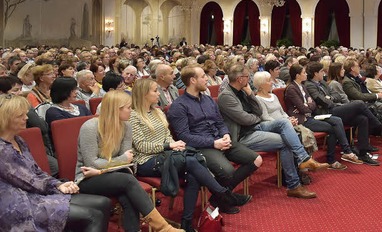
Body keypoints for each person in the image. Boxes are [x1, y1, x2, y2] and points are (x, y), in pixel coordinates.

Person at [130, 79, 247, 229]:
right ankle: (223, 193)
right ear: (143, 94)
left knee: (193, 174)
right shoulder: (134, 116)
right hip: (146, 161)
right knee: (192, 161)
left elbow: (167, 135)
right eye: (154, 91)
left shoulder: (157, 111)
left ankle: (187, 222)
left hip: (168, 156)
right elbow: (141, 146)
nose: (158, 93)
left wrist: (174, 145)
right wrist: (169, 145)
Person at [0, 94, 111, 232]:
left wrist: (58, 183)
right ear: (5, 119)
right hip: (18, 203)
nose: (26, 118)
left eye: (25, 114)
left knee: (104, 203)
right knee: (92, 216)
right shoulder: (2, 149)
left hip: (36, 193)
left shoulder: (19, 140)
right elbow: (28, 181)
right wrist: (58, 185)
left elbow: (36, 171)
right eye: (20, 116)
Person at [75, 90, 183, 232]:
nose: (131, 111)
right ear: (116, 109)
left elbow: (127, 161)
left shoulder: (126, 126)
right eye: (128, 108)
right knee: (128, 181)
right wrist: (119, 161)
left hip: (113, 175)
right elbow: (92, 163)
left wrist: (106, 166)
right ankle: (163, 228)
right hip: (87, 178)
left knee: (127, 195)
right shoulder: (90, 127)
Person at [217, 64, 327, 198]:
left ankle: (303, 161)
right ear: (240, 79)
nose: (249, 79)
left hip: (254, 127)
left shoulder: (243, 91)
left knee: (283, 122)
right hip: (242, 136)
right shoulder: (226, 96)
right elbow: (245, 119)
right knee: (286, 142)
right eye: (247, 77)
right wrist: (256, 117)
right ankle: (295, 185)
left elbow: (258, 110)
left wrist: (251, 94)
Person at [166, 66, 262, 206]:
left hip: (220, 140)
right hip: (201, 146)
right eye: (203, 76)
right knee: (228, 171)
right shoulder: (179, 106)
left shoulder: (208, 100)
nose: (206, 79)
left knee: (256, 160)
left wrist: (226, 134)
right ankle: (226, 198)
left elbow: (220, 122)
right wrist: (213, 143)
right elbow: (184, 137)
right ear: (193, 80)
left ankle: (219, 198)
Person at [285, 64, 354, 169]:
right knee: (332, 128)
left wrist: (308, 105)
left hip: (310, 116)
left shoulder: (302, 86)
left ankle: (345, 151)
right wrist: (308, 105)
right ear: (298, 75)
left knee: (336, 120)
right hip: (302, 120)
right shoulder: (291, 89)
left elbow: (312, 104)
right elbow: (303, 108)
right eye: (304, 72)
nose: (306, 74)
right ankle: (334, 157)